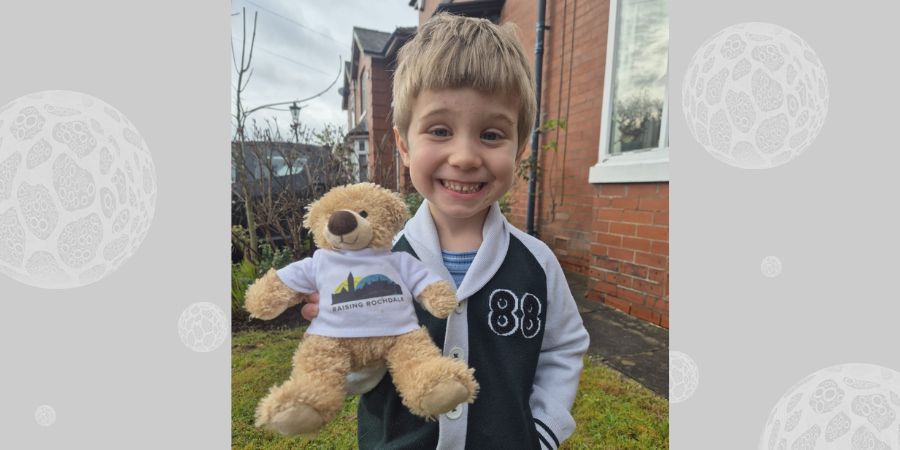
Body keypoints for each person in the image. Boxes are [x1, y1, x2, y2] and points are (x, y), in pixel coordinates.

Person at [302, 13, 589, 450]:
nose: (465, 156)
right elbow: (357, 378)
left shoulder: (538, 264)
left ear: (520, 148)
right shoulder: (372, 262)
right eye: (439, 130)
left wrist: (545, 429)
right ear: (404, 144)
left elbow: (563, 349)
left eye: (492, 134)